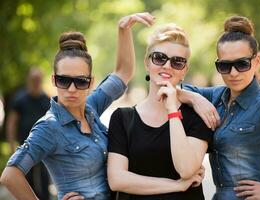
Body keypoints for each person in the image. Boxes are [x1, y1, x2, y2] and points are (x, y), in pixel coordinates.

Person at [0, 13, 154, 200]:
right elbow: (10, 176)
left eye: (80, 81)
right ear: (54, 80)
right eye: (64, 80)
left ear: (90, 82)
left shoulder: (92, 106)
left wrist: (124, 30)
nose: (72, 89)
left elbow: (124, 72)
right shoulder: (49, 127)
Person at [179, 15, 260, 199]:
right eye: (225, 66)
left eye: (242, 64)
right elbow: (168, 89)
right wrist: (195, 99)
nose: (233, 73)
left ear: (257, 62)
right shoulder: (215, 96)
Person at [107, 23, 213, 200]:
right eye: (159, 58)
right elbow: (117, 179)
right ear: (147, 63)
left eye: (177, 61)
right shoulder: (122, 118)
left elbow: (186, 169)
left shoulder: (197, 116)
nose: (167, 65)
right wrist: (176, 185)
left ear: (184, 70)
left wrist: (172, 111)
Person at [5, 67, 51, 199]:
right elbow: (11, 124)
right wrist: (11, 146)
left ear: (41, 80)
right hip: (24, 147)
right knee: (27, 180)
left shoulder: (47, 100)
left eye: (38, 79)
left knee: (44, 179)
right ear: (28, 80)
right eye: (33, 79)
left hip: (43, 148)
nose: (36, 82)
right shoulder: (20, 99)